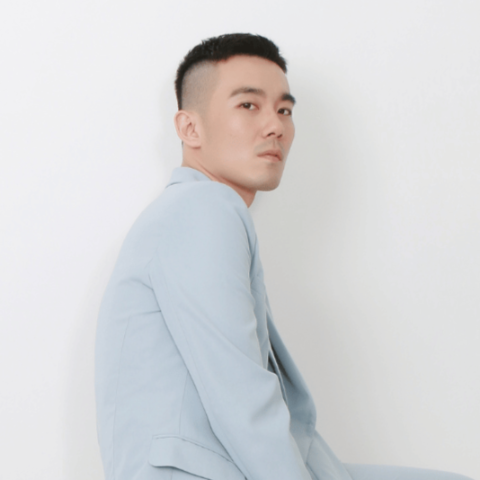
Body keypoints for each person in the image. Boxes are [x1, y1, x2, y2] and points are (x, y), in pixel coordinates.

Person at [94, 33, 474, 480]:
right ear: (189, 128)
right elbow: (241, 398)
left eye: (284, 110)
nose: (275, 126)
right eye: (248, 105)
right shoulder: (202, 208)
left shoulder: (187, 213)